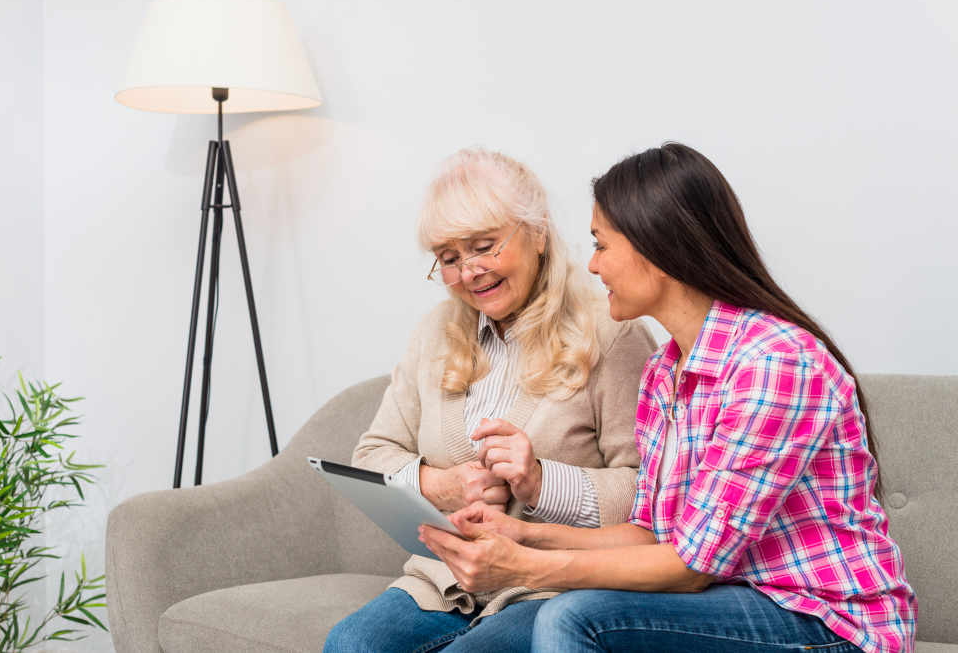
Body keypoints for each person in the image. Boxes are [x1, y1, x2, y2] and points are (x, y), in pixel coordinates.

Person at [419, 143, 917, 653]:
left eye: (601, 245)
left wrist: (525, 566)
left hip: (821, 621)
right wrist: (521, 536)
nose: (591, 266)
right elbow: (654, 535)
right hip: (729, 601)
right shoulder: (665, 370)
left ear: (658, 248)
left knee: (576, 617)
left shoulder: (772, 364)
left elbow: (691, 567)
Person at [324, 147, 658, 652]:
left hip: (554, 588)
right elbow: (372, 456)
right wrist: (442, 484)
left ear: (538, 233)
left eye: (484, 246)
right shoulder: (435, 332)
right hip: (446, 582)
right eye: (449, 259)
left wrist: (541, 482)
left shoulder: (613, 334)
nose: (469, 272)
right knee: (350, 645)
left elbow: (650, 500)